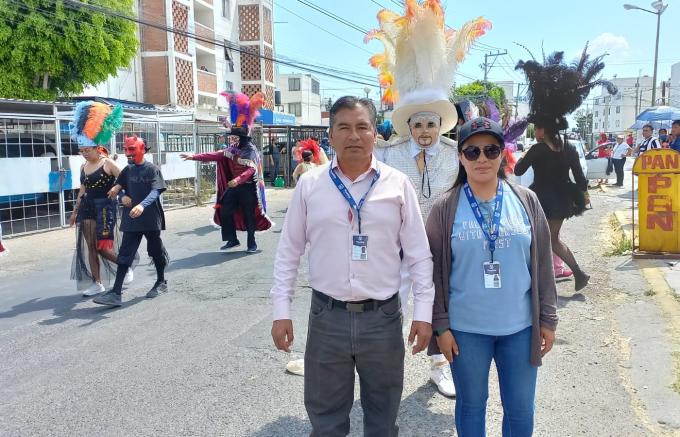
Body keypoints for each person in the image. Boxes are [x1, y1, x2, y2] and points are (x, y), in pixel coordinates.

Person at [270, 96, 434, 436]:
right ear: (331, 135)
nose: (354, 135)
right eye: (344, 127)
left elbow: (418, 254)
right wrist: (280, 310)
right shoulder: (310, 185)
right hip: (327, 317)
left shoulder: (397, 185)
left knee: (383, 417)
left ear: (375, 134)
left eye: (362, 127)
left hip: (383, 319)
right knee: (326, 419)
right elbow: (289, 252)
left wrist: (424, 313)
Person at [368, 0, 490, 398]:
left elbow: (477, 190)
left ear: (442, 124)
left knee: (440, 304)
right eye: (417, 123)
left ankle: (441, 365)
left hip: (443, 242)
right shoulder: (389, 152)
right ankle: (383, 368)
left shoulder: (461, 154)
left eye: (431, 123)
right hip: (397, 244)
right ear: (409, 124)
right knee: (391, 302)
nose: (424, 130)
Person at [426, 117, 558, 437]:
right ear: (460, 157)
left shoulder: (526, 201)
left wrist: (548, 318)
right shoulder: (445, 208)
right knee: (471, 406)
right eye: (472, 152)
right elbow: (431, 275)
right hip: (466, 331)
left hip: (520, 329)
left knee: (521, 409)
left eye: (490, 150)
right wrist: (440, 327)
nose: (482, 159)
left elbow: (542, 263)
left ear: (502, 154)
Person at [515, 44, 617, 292]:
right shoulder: (569, 147)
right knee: (551, 240)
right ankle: (570, 275)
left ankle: (569, 275)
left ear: (543, 129)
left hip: (540, 200)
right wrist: (583, 194)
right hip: (562, 200)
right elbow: (581, 177)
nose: (535, 130)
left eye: (537, 126)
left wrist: (524, 154)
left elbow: (518, 171)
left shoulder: (538, 148)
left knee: (545, 241)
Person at [67, 101, 133, 296]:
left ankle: (125, 266)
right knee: (90, 247)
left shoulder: (108, 163)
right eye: (81, 151)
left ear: (97, 148)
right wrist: (74, 212)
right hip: (88, 207)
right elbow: (82, 190)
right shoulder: (83, 167)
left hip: (105, 208)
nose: (84, 153)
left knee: (102, 247)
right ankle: (97, 283)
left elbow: (125, 179)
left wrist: (121, 193)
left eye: (87, 150)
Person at [94, 136, 169, 307]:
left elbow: (155, 192)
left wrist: (142, 205)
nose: (128, 153)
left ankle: (161, 281)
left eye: (132, 149)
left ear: (142, 149)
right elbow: (118, 187)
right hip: (131, 218)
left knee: (155, 250)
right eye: (126, 149)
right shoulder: (127, 170)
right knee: (125, 253)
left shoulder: (153, 170)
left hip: (150, 217)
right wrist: (120, 195)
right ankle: (116, 292)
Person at [216, 91, 273, 252]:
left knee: (249, 215)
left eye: (235, 137)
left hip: (248, 187)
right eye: (232, 137)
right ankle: (232, 239)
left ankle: (251, 243)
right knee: (225, 210)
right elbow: (216, 155)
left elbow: (250, 170)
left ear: (242, 138)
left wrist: (238, 180)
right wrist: (194, 157)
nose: (232, 139)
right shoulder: (233, 149)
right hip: (234, 188)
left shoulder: (251, 150)